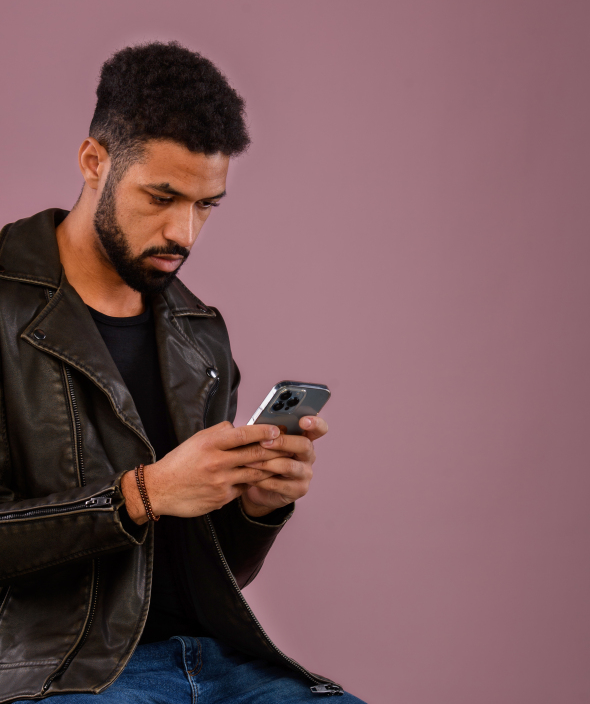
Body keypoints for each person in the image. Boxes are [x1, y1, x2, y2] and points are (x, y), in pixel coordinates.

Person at [0, 43, 365, 703]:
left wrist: (260, 505)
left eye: (205, 206)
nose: (183, 232)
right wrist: (141, 495)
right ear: (93, 163)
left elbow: (211, 567)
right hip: (64, 672)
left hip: (220, 662)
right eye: (161, 197)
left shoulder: (198, 333)